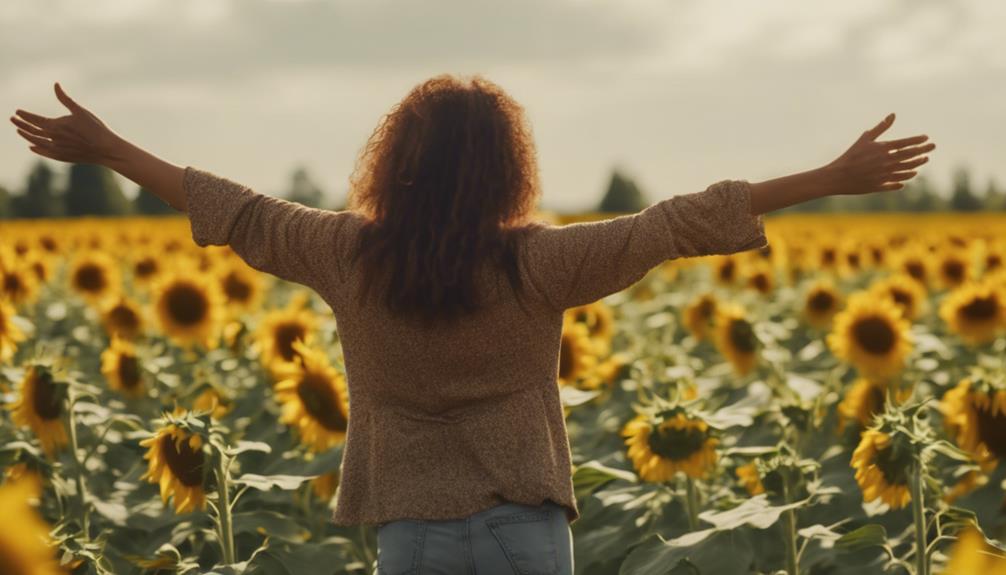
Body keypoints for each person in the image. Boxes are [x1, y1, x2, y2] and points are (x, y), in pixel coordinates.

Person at [10, 75, 933, 575]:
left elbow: (235, 209)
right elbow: (680, 219)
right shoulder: (537, 263)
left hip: (409, 534)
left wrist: (111, 149)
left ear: (394, 161)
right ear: (508, 168)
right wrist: (826, 175)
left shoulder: (345, 253)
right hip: (523, 532)